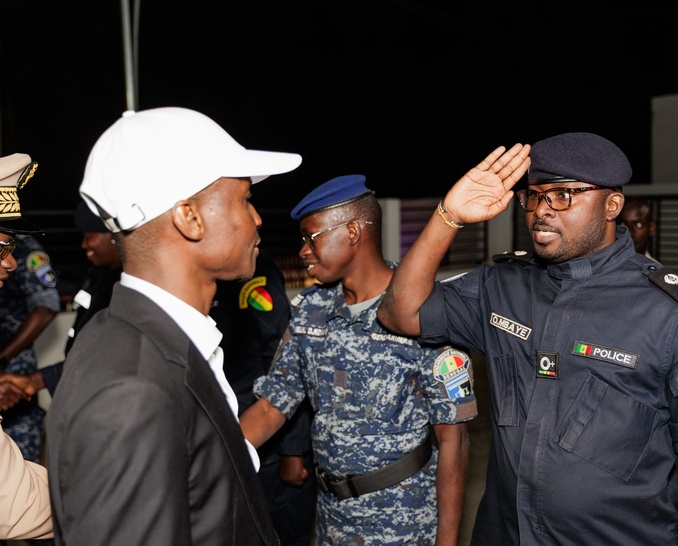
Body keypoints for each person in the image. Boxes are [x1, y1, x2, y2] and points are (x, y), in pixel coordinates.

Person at [377, 134, 678, 545]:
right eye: (534, 195)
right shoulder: (502, 286)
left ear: (612, 206)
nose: (541, 210)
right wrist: (447, 215)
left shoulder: (677, 313)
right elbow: (400, 312)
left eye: (563, 195)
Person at [45, 106, 302, 546]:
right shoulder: (133, 390)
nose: (257, 218)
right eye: (244, 200)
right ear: (189, 218)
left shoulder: (145, 336)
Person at [240, 174, 477, 545]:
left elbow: (454, 441)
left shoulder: (424, 313)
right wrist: (213, 456)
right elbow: (272, 407)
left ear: (352, 232)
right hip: (331, 519)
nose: (302, 251)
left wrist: (446, 542)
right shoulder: (311, 311)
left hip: (403, 523)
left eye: (310, 237)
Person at [210, 249, 317, 546]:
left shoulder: (253, 278)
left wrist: (293, 451)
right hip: (233, 437)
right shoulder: (204, 276)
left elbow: (286, 364)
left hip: (271, 444)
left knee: (283, 531)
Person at [0, 200, 123, 405]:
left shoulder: (128, 290)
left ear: (113, 236)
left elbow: (112, 360)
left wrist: (6, 361)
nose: (84, 244)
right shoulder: (97, 278)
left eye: (89, 235)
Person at [0, 152, 53, 542]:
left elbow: (46, 305)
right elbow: (13, 507)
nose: (12, 263)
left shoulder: (29, 250)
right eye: (2, 247)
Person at [618, 195, 658, 261]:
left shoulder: (658, 270)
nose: (630, 232)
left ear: (651, 227)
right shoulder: (599, 268)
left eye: (638, 224)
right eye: (623, 224)